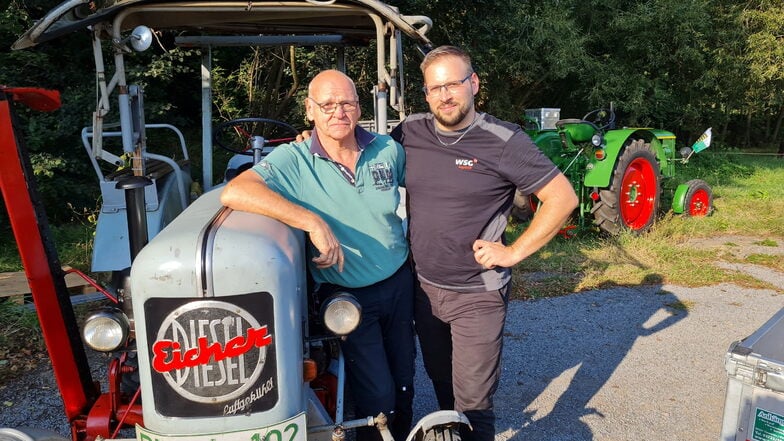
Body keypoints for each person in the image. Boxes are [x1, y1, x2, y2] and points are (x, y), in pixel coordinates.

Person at [390, 46, 579, 441]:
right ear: (426, 94)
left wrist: (514, 252)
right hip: (423, 289)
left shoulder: (503, 140)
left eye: (453, 84)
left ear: (473, 84)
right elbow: (364, 156)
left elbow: (563, 198)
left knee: (473, 404)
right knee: (442, 387)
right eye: (435, 87)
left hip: (477, 293)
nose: (445, 95)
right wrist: (315, 140)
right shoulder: (409, 132)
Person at [220, 70, 414, 441]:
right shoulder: (294, 159)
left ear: (359, 108)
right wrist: (310, 220)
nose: (337, 112)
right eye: (327, 105)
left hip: (398, 281)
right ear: (310, 110)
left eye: (346, 103)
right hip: (347, 296)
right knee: (378, 393)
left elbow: (426, 186)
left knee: (405, 377)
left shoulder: (387, 150)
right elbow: (235, 191)